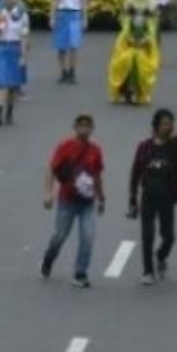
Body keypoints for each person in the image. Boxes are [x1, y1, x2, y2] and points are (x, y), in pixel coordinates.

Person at [126, 108, 177, 284]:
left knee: (169, 236)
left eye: (170, 123)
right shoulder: (145, 147)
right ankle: (147, 271)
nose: (167, 126)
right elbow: (135, 173)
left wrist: (176, 142)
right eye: (164, 123)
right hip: (148, 197)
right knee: (148, 235)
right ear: (155, 126)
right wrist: (133, 199)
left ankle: (161, 255)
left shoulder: (174, 144)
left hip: (168, 198)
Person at [42, 114, 107, 287]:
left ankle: (80, 272)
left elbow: (98, 175)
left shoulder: (95, 150)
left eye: (88, 126)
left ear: (92, 129)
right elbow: (51, 169)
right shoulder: (65, 147)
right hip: (67, 200)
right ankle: (49, 257)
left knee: (88, 237)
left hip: (87, 202)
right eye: (81, 125)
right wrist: (48, 194)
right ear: (75, 127)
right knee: (60, 236)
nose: (84, 129)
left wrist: (101, 197)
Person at [109, 0, 162, 106]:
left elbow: (154, 23)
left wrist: (147, 38)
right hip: (130, 35)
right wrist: (129, 36)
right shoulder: (130, 0)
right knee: (126, 60)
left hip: (144, 37)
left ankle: (139, 90)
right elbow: (124, 18)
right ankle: (125, 88)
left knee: (141, 62)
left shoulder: (152, 3)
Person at [0, 0, 29, 127]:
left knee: (12, 85)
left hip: (15, 47)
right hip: (1, 47)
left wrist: (23, 56)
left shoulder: (22, 12)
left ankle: (9, 112)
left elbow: (24, 36)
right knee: (1, 82)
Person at [51, 0, 88, 83]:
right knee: (61, 46)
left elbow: (83, 1)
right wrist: (52, 17)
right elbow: (54, 1)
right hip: (62, 14)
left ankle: (72, 71)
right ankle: (63, 71)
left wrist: (84, 18)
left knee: (74, 45)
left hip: (75, 14)